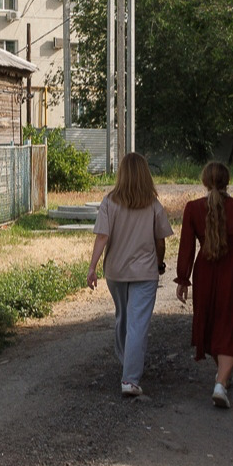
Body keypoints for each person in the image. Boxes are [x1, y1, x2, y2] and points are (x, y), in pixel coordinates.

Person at [175, 161, 233, 409]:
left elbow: (186, 248)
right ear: (228, 181)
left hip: (205, 273)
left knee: (213, 325)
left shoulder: (193, 208)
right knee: (231, 326)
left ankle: (222, 378)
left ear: (204, 182)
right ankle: (221, 382)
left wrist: (183, 279)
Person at [86, 152, 174, 398]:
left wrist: (92, 268)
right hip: (145, 273)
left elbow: (102, 236)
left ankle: (128, 365)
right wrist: (158, 264)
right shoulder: (153, 205)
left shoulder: (109, 202)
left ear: (122, 174)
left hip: (116, 271)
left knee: (123, 319)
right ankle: (130, 378)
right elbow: (160, 241)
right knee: (137, 324)